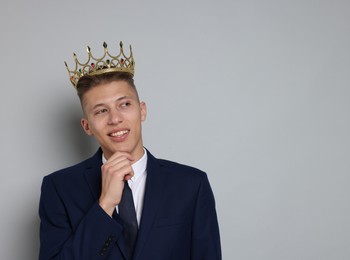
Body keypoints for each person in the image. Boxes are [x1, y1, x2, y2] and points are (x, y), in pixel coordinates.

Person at [38, 42, 222, 260]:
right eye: (101, 111)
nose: (115, 119)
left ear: (142, 110)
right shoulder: (59, 188)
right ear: (87, 126)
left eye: (124, 105)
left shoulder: (191, 184)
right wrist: (104, 205)